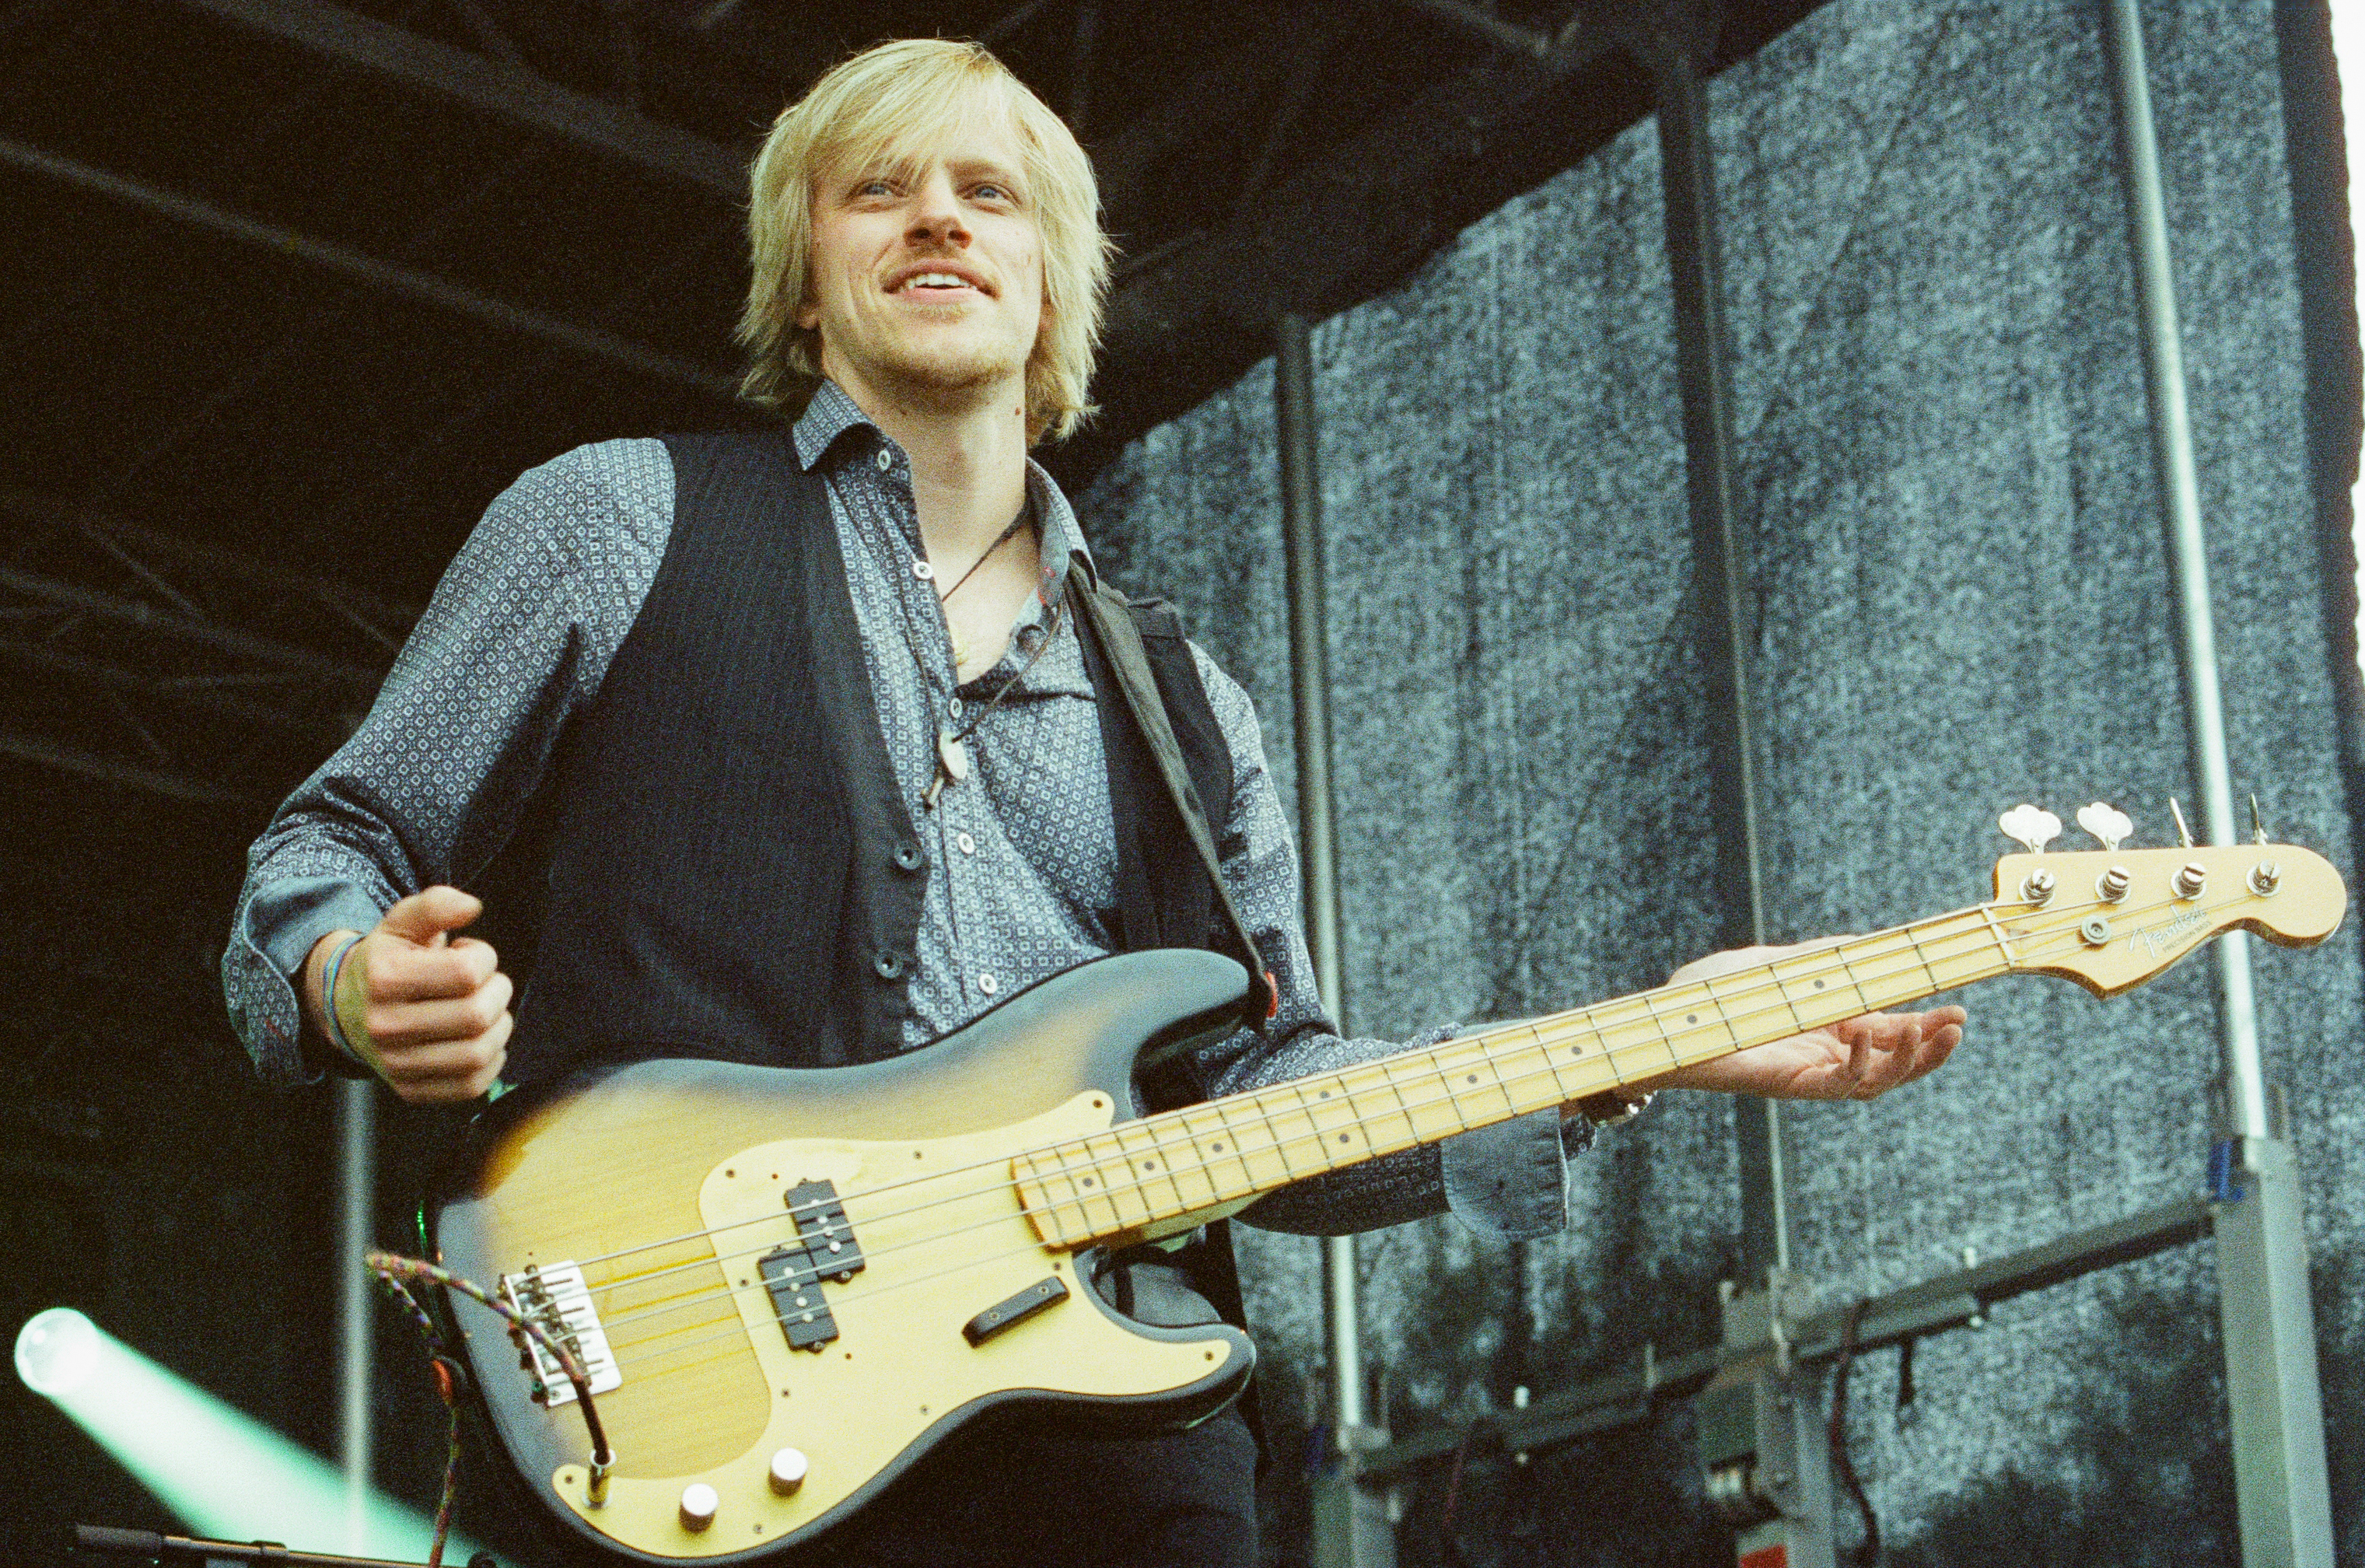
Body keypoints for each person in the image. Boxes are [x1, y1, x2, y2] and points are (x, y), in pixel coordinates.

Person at [222, 37, 1962, 1567]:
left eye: (990, 192)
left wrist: (1641, 1048)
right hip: (705, 1386)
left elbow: (1275, 1096)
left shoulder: (1186, 701)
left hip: (1106, 1425)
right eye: (877, 191)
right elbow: (332, 846)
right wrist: (350, 983)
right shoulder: (616, 519)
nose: (937, 218)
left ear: (1054, 286)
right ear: (803, 283)